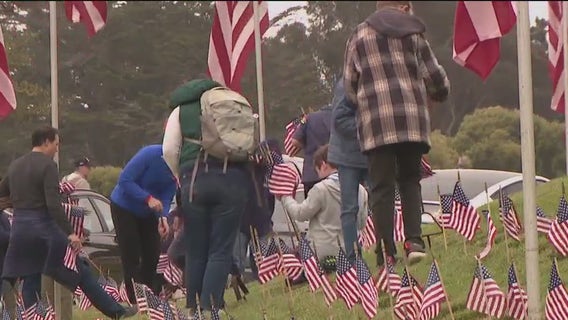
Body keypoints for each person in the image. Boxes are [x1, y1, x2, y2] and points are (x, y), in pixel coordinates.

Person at [343, 1, 450, 265]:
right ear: (403, 7)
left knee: (381, 187)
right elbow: (435, 78)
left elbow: (349, 85)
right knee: (410, 180)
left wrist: (366, 102)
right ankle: (414, 241)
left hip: (376, 124)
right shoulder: (414, 33)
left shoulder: (358, 35)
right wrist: (437, 94)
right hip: (411, 121)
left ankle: (385, 250)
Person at [0, 126, 136, 318]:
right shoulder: (48, 166)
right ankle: (116, 312)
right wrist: (70, 232)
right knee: (78, 269)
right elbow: (53, 204)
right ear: (46, 142)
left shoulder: (15, 166)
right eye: (56, 144)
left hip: (21, 232)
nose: (57, 149)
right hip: (45, 231)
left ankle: (31, 316)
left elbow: (2, 193)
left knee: (30, 279)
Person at [162, 78, 252, 317]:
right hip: (233, 178)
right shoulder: (234, 104)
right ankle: (212, 307)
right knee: (220, 248)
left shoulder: (181, 111)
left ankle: (193, 308)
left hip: (195, 179)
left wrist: (181, 175)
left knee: (196, 247)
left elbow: (169, 149)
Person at [278, 144, 368, 268]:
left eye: (317, 170)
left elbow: (300, 214)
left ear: (324, 165)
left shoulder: (320, 189)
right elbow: (362, 223)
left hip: (323, 252)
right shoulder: (360, 189)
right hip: (352, 251)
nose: (317, 174)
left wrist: (286, 198)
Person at [110, 144, 177, 305]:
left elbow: (167, 194)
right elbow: (125, 180)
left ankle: (150, 301)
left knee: (152, 255)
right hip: (124, 206)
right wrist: (147, 198)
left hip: (149, 211)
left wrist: (163, 218)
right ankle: (136, 301)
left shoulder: (177, 167)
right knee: (131, 254)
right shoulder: (150, 154)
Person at [328, 76, 369, 263]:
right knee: (349, 208)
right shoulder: (346, 85)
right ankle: (353, 257)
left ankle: (386, 252)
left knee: (380, 202)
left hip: (370, 153)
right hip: (347, 156)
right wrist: (369, 127)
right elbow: (339, 120)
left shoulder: (375, 78)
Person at [291, 105, 332, 198]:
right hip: (334, 173)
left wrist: (308, 145)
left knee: (311, 209)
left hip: (311, 173)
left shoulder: (310, 118)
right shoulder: (341, 116)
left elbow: (294, 141)